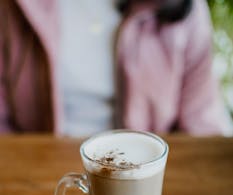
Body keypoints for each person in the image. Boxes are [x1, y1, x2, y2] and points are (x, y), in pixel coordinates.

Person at [0, 0, 232, 135]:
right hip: (44, 179)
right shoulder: (14, 8)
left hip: (143, 181)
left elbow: (202, 124)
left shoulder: (186, 12)